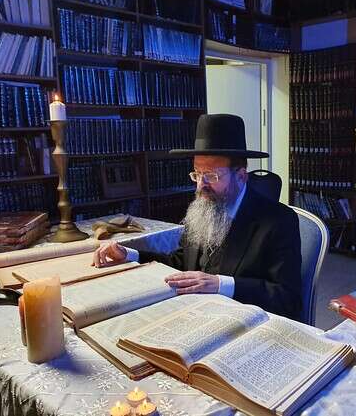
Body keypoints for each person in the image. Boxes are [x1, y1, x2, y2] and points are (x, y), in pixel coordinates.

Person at [93, 114, 302, 320]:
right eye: (197, 174)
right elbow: (181, 262)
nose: (201, 185)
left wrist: (221, 284)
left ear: (241, 176)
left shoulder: (279, 221)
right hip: (193, 314)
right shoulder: (203, 209)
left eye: (211, 175)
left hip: (238, 321)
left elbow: (288, 299)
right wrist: (130, 255)